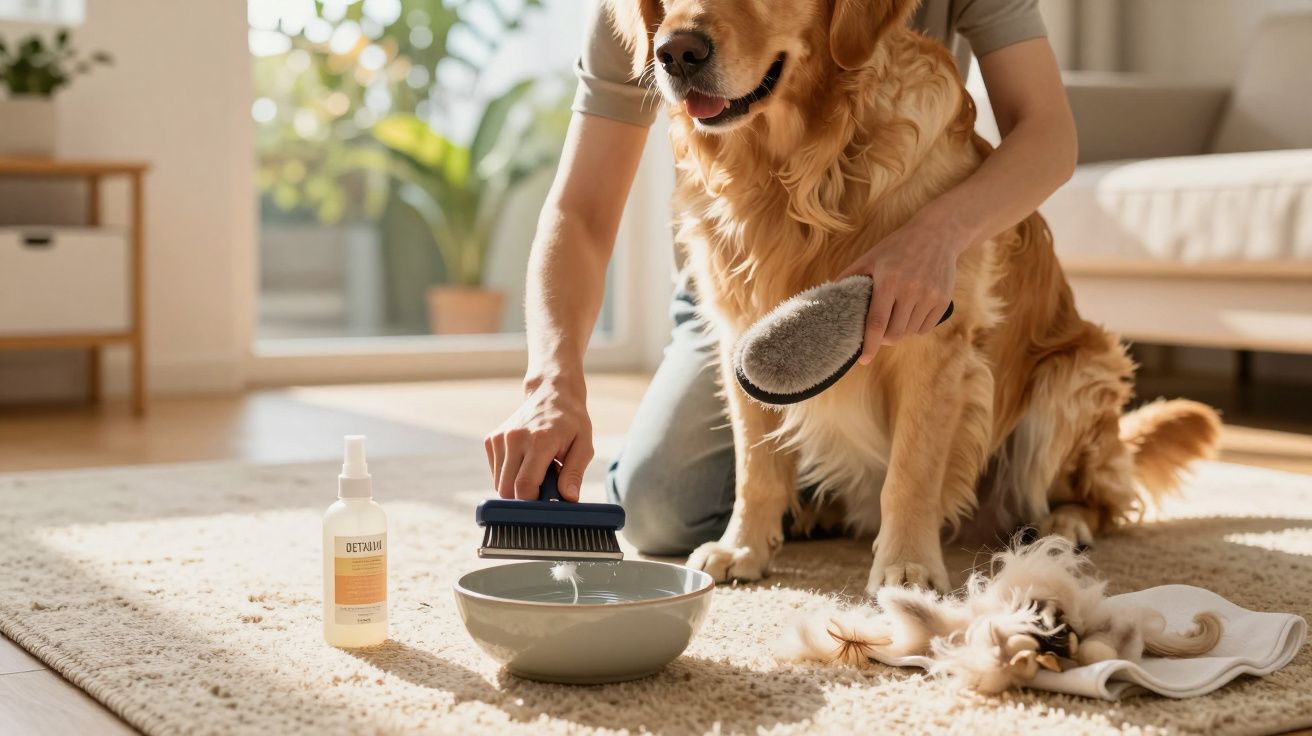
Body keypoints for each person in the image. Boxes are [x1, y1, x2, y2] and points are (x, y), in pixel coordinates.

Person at [484, 0, 1078, 555]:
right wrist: (551, 383)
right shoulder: (666, 29)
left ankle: (1027, 493)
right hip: (741, 311)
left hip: (917, 235)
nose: (684, 34)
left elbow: (1049, 135)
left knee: (960, 352)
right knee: (656, 509)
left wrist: (937, 235)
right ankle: (818, 486)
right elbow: (580, 212)